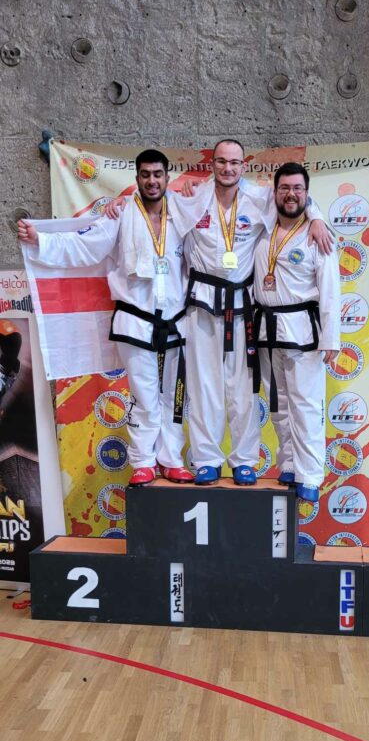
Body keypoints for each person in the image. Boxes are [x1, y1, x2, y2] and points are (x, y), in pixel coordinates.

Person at [108, 139, 332, 485]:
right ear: (212, 165)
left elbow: (293, 198)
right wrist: (119, 203)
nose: (228, 168)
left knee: (243, 389)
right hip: (200, 305)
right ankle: (207, 459)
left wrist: (315, 218)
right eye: (222, 162)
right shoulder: (192, 199)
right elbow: (151, 201)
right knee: (202, 387)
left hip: (242, 306)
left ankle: (244, 460)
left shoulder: (260, 199)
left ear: (244, 166)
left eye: (234, 163)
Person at [18, 149, 194, 486]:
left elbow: (218, 211)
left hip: (176, 321)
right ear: (137, 178)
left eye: (158, 174)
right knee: (145, 395)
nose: (152, 181)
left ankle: (172, 459)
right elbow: (85, 246)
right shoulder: (121, 213)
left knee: (175, 396)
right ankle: (144, 461)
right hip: (135, 320)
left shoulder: (183, 212)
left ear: (167, 178)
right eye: (145, 174)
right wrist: (42, 240)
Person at [253, 162, 340, 502]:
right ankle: (288, 463)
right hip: (267, 329)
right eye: (284, 188)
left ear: (307, 193)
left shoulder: (318, 234)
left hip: (303, 330)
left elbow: (330, 290)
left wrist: (331, 338)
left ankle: (310, 475)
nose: (291, 194)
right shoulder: (262, 226)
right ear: (275, 192)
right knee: (279, 404)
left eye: (298, 189)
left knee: (305, 405)